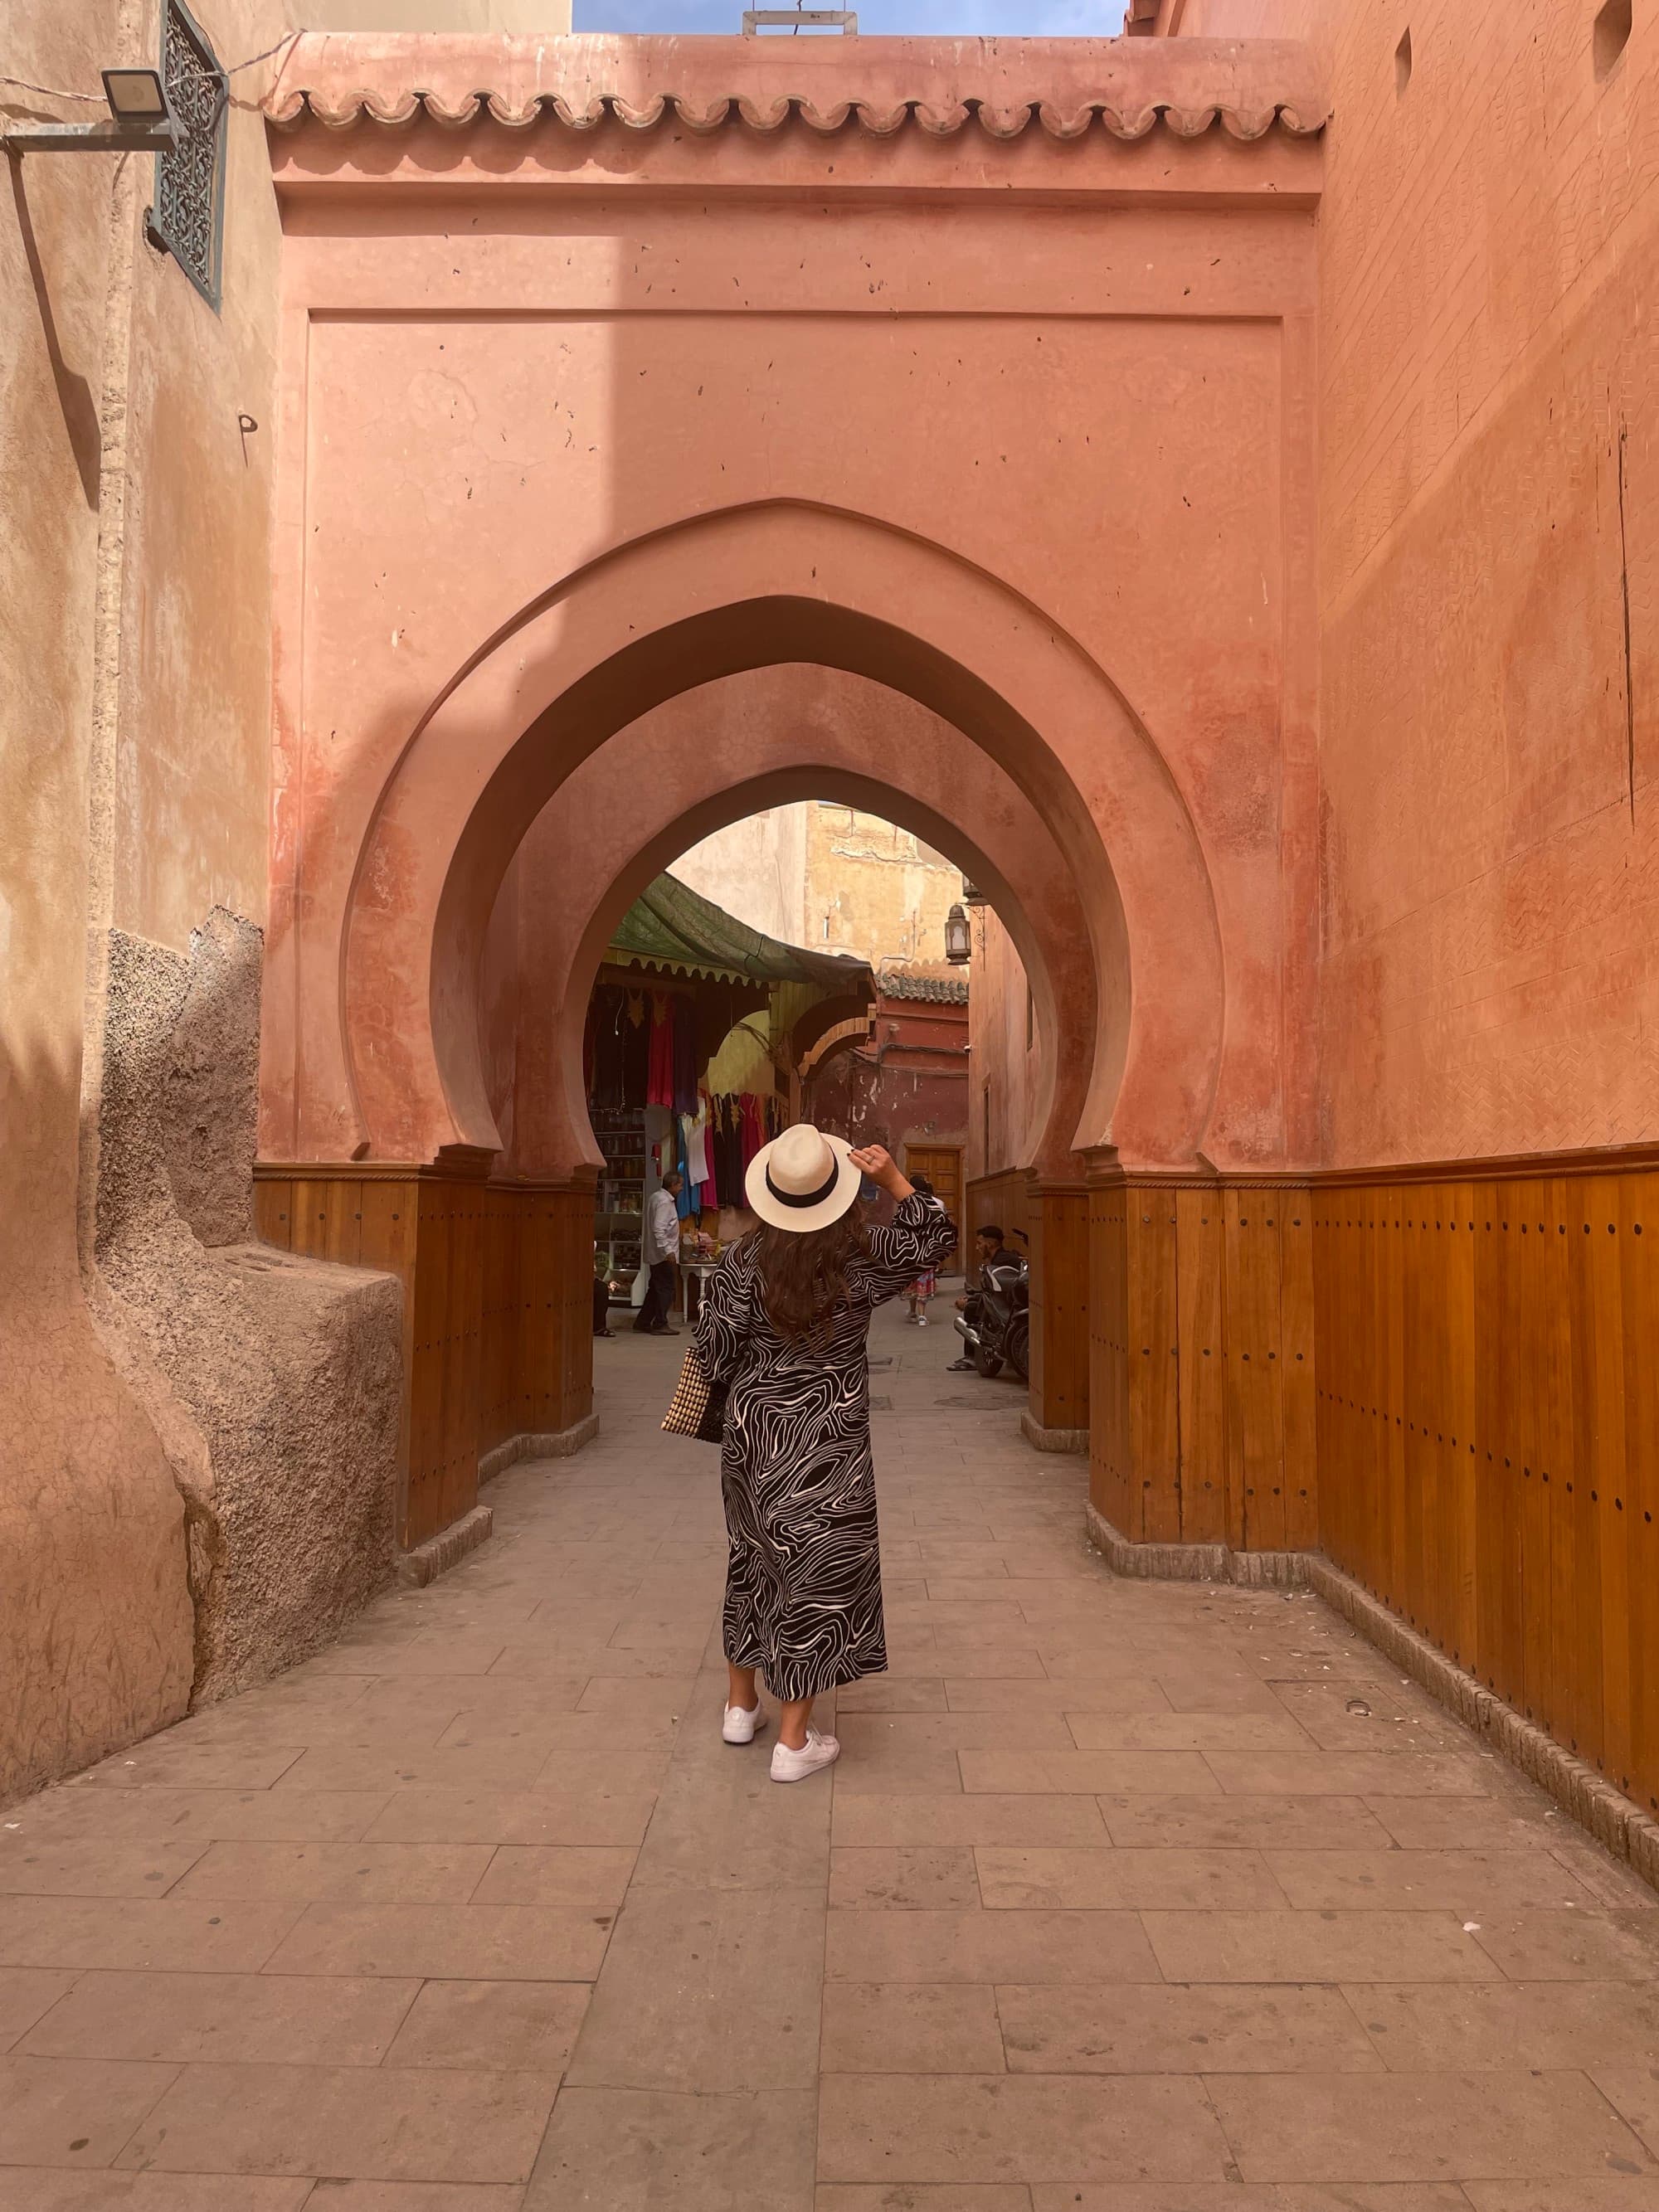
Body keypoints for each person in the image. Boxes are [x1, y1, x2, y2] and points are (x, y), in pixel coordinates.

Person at [692, 1124, 956, 1782]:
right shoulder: (858, 1260)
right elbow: (935, 1239)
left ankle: (739, 1704)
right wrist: (896, 1180)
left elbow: (713, 1353)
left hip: (753, 1438)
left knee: (752, 1560)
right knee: (817, 1575)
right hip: (827, 1443)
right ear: (835, 1195)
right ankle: (793, 1740)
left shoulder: (736, 1263)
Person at [948, 1222, 1010, 1372]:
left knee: (971, 1308)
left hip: (1004, 1305)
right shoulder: (998, 1260)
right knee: (973, 1302)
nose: (977, 1247)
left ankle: (971, 1357)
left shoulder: (1002, 1262)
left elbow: (998, 1292)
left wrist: (970, 1301)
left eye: (979, 1243)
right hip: (999, 1301)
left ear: (990, 1243)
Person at [634, 1169, 684, 1336]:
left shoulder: (656, 1197)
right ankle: (660, 1323)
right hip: (662, 1254)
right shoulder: (664, 1202)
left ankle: (643, 1321)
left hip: (657, 1253)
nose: (681, 1188)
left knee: (655, 1288)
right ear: (672, 1185)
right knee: (666, 1289)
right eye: (679, 1185)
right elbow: (659, 1228)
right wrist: (668, 1251)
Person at [903, 1174, 937, 1324]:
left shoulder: (907, 1203)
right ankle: (922, 1315)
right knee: (923, 1280)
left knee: (912, 1280)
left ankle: (912, 1312)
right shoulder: (933, 1203)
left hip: (910, 1248)